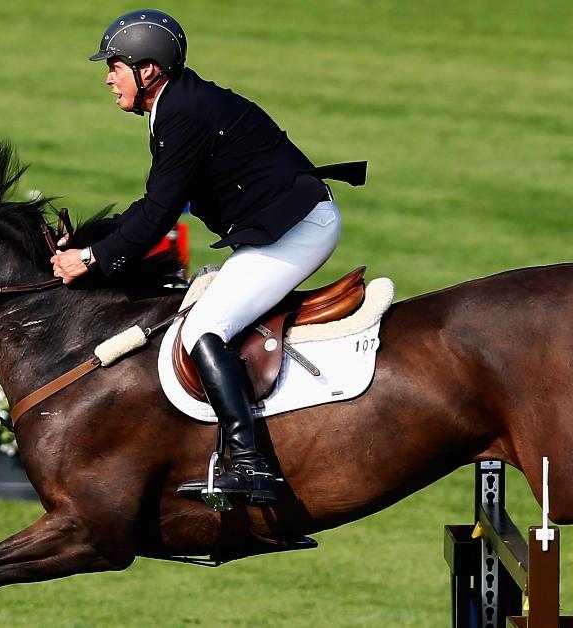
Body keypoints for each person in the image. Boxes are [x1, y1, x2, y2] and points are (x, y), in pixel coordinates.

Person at [52, 9, 361, 506]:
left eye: (114, 66)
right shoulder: (179, 104)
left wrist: (92, 258)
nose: (108, 77)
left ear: (147, 70)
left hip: (298, 232)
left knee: (202, 329)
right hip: (284, 226)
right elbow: (159, 203)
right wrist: (98, 242)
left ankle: (250, 464)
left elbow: (158, 214)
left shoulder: (182, 113)